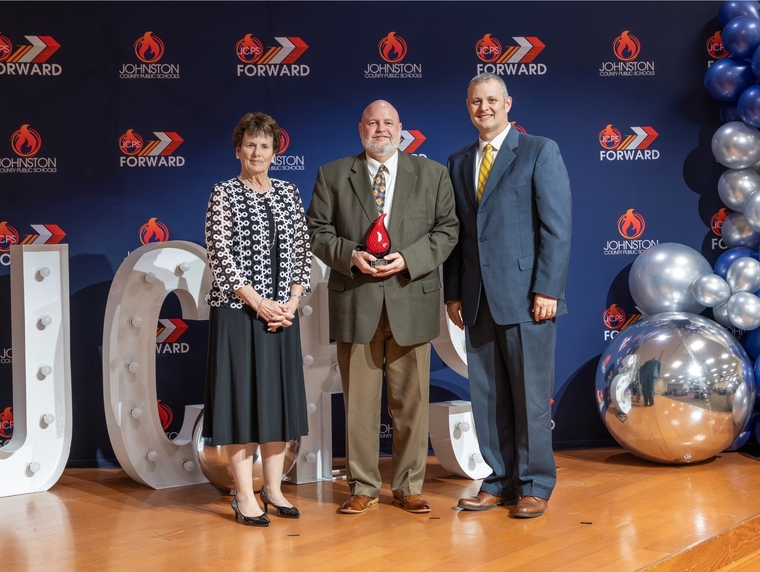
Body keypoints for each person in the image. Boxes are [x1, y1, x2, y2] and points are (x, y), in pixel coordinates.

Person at [307, 100, 459, 514]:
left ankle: (408, 486)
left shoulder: (432, 175)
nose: (381, 129)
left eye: (388, 123)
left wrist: (409, 258)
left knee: (411, 404)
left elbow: (448, 231)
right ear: (360, 129)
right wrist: (349, 254)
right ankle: (363, 487)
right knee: (358, 404)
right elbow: (317, 232)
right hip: (356, 301)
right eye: (373, 123)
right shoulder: (333, 175)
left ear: (401, 129)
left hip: (411, 301)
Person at [443, 73, 572, 518]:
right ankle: (498, 480)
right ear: (468, 106)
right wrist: (454, 293)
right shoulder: (458, 161)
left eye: (492, 100)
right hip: (476, 299)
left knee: (531, 398)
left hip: (527, 299)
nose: (485, 108)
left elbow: (556, 228)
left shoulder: (539, 150)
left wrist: (547, 289)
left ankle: (535, 484)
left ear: (508, 103)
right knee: (489, 396)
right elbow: (458, 235)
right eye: (477, 101)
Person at [203, 112, 313, 527]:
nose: (257, 152)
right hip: (238, 313)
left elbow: (302, 252)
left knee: (277, 403)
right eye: (250, 144)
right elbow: (220, 254)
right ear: (238, 150)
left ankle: (274, 489)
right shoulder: (224, 193)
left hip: (282, 315)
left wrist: (291, 302)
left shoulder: (288, 192)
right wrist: (257, 302)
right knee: (240, 403)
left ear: (274, 152)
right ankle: (244, 494)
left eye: (264, 145)